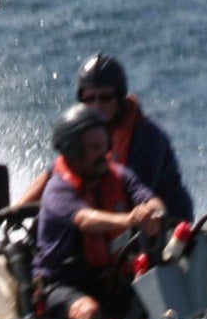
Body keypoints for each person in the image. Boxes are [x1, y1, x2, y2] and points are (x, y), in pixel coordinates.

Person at [16, 54, 194, 224]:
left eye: (105, 98)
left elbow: (132, 195)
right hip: (110, 221)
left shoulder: (148, 138)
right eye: (90, 99)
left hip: (163, 229)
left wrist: (68, 207)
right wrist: (18, 211)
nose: (97, 106)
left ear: (119, 98)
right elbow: (55, 172)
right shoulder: (84, 132)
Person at [33, 103, 166, 319]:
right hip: (60, 285)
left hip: (107, 281)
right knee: (89, 311)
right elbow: (85, 219)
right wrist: (130, 219)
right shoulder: (58, 189)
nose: (103, 154)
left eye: (105, 146)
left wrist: (155, 213)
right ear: (74, 152)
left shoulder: (119, 176)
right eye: (94, 148)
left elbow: (151, 199)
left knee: (158, 294)